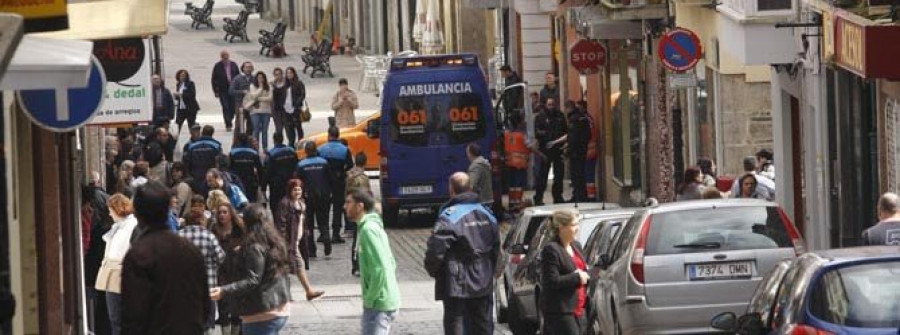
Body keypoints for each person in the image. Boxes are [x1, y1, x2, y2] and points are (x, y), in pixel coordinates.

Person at [121, 181, 209, 335]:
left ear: (138, 214)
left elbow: (133, 313)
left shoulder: (138, 255)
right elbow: (204, 304)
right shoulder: (191, 250)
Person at [425, 172, 500, 335]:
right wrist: (491, 270)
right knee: (483, 325)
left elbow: (435, 250)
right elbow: (496, 247)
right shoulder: (488, 214)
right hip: (483, 279)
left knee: (456, 324)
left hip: (456, 283)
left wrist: (434, 271)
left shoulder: (449, 216)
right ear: (470, 188)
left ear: (452, 190)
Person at [210, 204, 293, 335]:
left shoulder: (254, 247)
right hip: (277, 306)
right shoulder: (272, 241)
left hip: (262, 311)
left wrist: (224, 290)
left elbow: (253, 279)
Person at [345, 189, 401, 335]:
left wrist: (370, 299)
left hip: (378, 304)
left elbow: (381, 267)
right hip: (381, 301)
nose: (345, 206)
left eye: (349, 202)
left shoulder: (368, 230)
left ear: (360, 206)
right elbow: (391, 261)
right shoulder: (368, 227)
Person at [539, 209, 590, 335]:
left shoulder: (576, 246)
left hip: (580, 309)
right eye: (573, 225)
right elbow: (552, 281)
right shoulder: (551, 249)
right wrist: (577, 277)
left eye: (577, 224)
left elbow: (583, 271)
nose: (577, 228)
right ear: (561, 227)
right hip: (561, 313)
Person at [94, 194, 139, 335]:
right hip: (115, 274)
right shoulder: (120, 226)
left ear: (117, 209)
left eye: (110, 209)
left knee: (118, 319)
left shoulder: (131, 226)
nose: (109, 213)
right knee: (115, 318)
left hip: (121, 275)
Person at [275, 179, 325, 300]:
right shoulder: (285, 203)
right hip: (289, 242)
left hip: (297, 240)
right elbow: (281, 223)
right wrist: (283, 241)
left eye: (299, 189)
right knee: (295, 265)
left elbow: (303, 221)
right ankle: (305, 291)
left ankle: (299, 292)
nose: (297, 192)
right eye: (295, 189)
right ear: (290, 190)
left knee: (290, 267)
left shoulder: (301, 203)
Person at [177, 211, 226, 334]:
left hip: (183, 289)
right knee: (206, 326)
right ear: (201, 221)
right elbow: (221, 258)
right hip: (208, 288)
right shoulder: (209, 236)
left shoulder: (177, 236)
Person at [210, 202, 245, 334]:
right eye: (219, 212)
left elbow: (249, 241)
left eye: (225, 212)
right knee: (223, 305)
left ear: (231, 214)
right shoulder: (214, 229)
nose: (222, 215)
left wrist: (242, 247)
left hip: (237, 269)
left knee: (237, 306)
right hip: (221, 270)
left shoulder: (239, 228)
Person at [295, 142, 333, 256]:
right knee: (323, 221)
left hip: (308, 197)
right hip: (323, 195)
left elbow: (298, 182)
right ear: (316, 150)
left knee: (309, 224)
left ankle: (312, 250)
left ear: (306, 151)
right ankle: (326, 239)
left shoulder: (301, 164)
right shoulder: (324, 162)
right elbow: (330, 179)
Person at [319, 126, 354, 243]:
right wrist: (341, 171)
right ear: (338, 135)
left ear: (329, 135)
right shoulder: (344, 149)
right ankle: (335, 234)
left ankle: (323, 233)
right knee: (338, 208)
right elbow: (350, 165)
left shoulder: (321, 149)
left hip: (324, 181)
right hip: (339, 181)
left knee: (323, 208)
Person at [534, 98, 568, 205]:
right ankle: (538, 197)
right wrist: (546, 135)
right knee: (542, 175)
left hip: (558, 150)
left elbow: (565, 131)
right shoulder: (540, 117)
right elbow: (537, 132)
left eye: (553, 104)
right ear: (546, 105)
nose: (551, 106)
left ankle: (558, 196)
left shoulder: (560, 116)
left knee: (559, 175)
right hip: (545, 150)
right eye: (549, 104)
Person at [503, 111, 533, 212]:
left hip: (509, 164)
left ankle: (512, 204)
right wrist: (541, 154)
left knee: (512, 186)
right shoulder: (522, 136)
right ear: (519, 122)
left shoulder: (507, 135)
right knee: (519, 186)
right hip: (520, 165)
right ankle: (518, 204)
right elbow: (530, 147)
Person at [345, 152, 370, 276]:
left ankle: (355, 265)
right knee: (360, 239)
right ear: (365, 162)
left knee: (356, 237)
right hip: (360, 210)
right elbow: (366, 195)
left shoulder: (350, 175)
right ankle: (359, 265)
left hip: (352, 208)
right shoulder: (362, 178)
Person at [184, 125, 223, 195]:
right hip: (211, 177)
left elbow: (187, 162)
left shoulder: (192, 146)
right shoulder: (216, 146)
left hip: (196, 176)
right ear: (212, 134)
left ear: (202, 133)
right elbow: (220, 161)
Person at [265, 132, 299, 212]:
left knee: (276, 206)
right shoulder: (291, 151)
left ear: (274, 140)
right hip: (290, 183)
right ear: (282, 139)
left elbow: (267, 172)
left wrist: (263, 186)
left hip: (276, 185)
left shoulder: (271, 154)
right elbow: (297, 166)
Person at [566, 100, 591, 203]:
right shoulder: (584, 118)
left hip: (576, 152)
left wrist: (569, 150)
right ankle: (581, 195)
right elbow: (588, 135)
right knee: (581, 174)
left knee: (576, 175)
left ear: (568, 108)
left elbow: (573, 137)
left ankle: (578, 196)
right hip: (583, 149)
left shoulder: (574, 119)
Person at [212, 50, 240, 131]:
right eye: (223, 55)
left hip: (233, 89)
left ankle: (230, 118)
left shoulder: (233, 64)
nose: (225, 56)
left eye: (226, 55)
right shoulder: (217, 66)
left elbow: (238, 76)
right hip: (223, 90)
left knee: (232, 107)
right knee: (225, 106)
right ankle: (228, 123)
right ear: (221, 56)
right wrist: (215, 91)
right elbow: (214, 79)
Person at [230, 133, 263, 203]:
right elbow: (260, 169)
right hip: (250, 181)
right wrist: (261, 183)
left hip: (237, 181)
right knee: (251, 201)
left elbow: (230, 167)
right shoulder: (253, 153)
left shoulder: (233, 153)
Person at [245, 71, 273, 150]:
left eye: (262, 78)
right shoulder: (252, 86)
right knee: (256, 129)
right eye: (259, 78)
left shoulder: (269, 86)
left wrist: (259, 98)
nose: (260, 79)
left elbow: (270, 98)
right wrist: (260, 88)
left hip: (266, 111)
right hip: (255, 111)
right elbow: (253, 96)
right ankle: (255, 146)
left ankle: (265, 147)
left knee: (265, 130)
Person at [230, 61, 257, 133]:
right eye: (247, 67)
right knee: (239, 125)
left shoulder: (255, 79)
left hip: (252, 105)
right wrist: (242, 92)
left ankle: (249, 140)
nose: (248, 69)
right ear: (243, 69)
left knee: (251, 125)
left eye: (250, 67)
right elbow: (231, 91)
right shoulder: (237, 78)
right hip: (240, 104)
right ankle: (237, 141)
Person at [174, 69, 201, 135]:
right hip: (181, 108)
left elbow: (192, 95)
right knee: (178, 124)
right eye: (181, 75)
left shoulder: (190, 84)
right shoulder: (178, 84)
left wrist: (182, 94)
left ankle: (194, 137)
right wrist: (176, 96)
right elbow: (178, 97)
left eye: (184, 75)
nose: (182, 77)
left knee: (191, 124)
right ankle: (175, 138)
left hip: (190, 108)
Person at [284, 67, 307, 144]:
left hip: (296, 108)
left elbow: (303, 94)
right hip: (286, 108)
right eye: (287, 73)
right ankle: (291, 141)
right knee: (289, 127)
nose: (289, 75)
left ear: (294, 73)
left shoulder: (299, 83)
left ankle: (300, 141)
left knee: (298, 126)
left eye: (290, 73)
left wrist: (297, 103)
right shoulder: (285, 84)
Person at [270, 68, 289, 141]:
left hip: (285, 109)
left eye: (279, 74)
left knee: (288, 128)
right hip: (276, 110)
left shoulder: (287, 84)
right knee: (278, 128)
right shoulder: (272, 84)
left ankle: (290, 143)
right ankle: (279, 143)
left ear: (282, 74)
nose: (278, 76)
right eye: (276, 75)